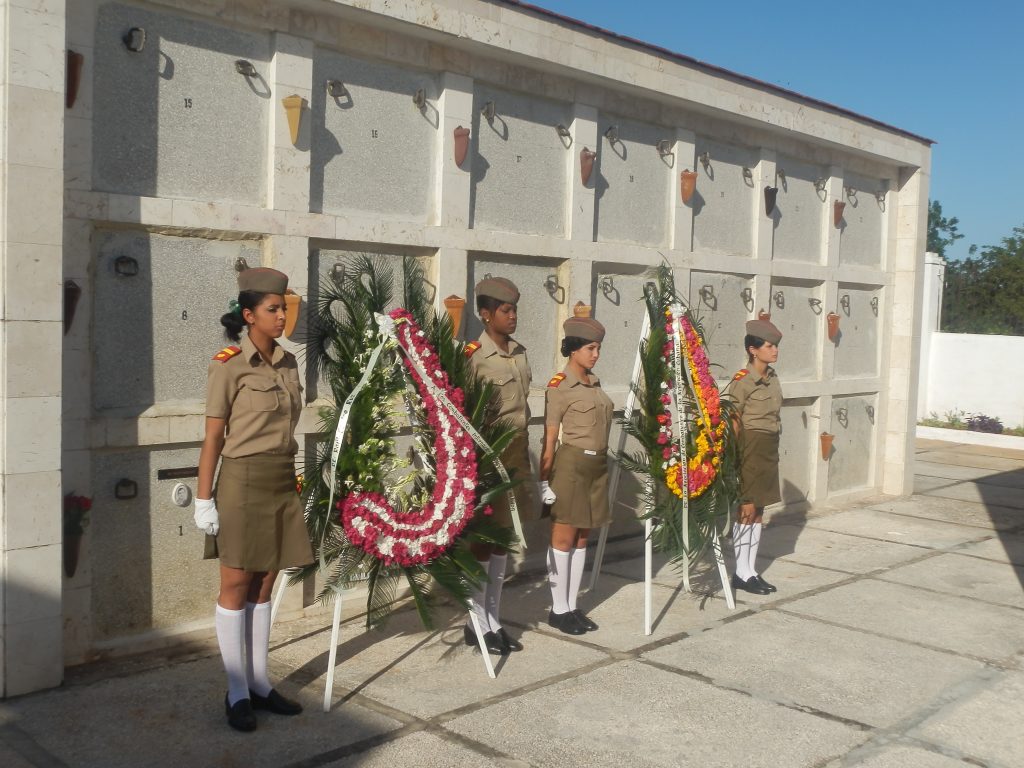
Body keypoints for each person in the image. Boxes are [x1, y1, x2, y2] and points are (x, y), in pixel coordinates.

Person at [194, 267, 314, 732]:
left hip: (281, 479)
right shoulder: (228, 364)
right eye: (273, 308)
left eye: (283, 308)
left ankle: (261, 683)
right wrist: (204, 499)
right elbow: (212, 437)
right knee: (236, 584)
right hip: (242, 482)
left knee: (265, 583)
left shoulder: (288, 363)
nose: (282, 315)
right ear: (249, 315)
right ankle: (237, 690)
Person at [463, 277, 537, 655]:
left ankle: (493, 618)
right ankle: (476, 621)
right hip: (488, 458)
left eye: (515, 310)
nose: (513, 317)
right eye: (506, 311)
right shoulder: (473, 356)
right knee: (483, 542)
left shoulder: (519, 353)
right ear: (486, 313)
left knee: (503, 543)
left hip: (517, 456)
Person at [540, 312, 612, 635]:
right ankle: (557, 609)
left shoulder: (595, 384)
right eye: (591, 349)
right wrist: (544, 480)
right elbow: (550, 437)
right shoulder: (559, 387)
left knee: (584, 537)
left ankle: (571, 605)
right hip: (570, 466)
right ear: (574, 348)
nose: (596, 355)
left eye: (598, 349)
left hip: (596, 467)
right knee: (564, 537)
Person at [727, 318, 784, 596]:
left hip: (768, 449)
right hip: (749, 449)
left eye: (775, 346)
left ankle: (750, 570)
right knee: (746, 510)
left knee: (759, 510)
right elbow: (733, 422)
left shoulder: (772, 378)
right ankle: (740, 571)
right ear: (753, 349)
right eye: (769, 346)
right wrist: (736, 460)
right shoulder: (742, 381)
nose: (774, 351)